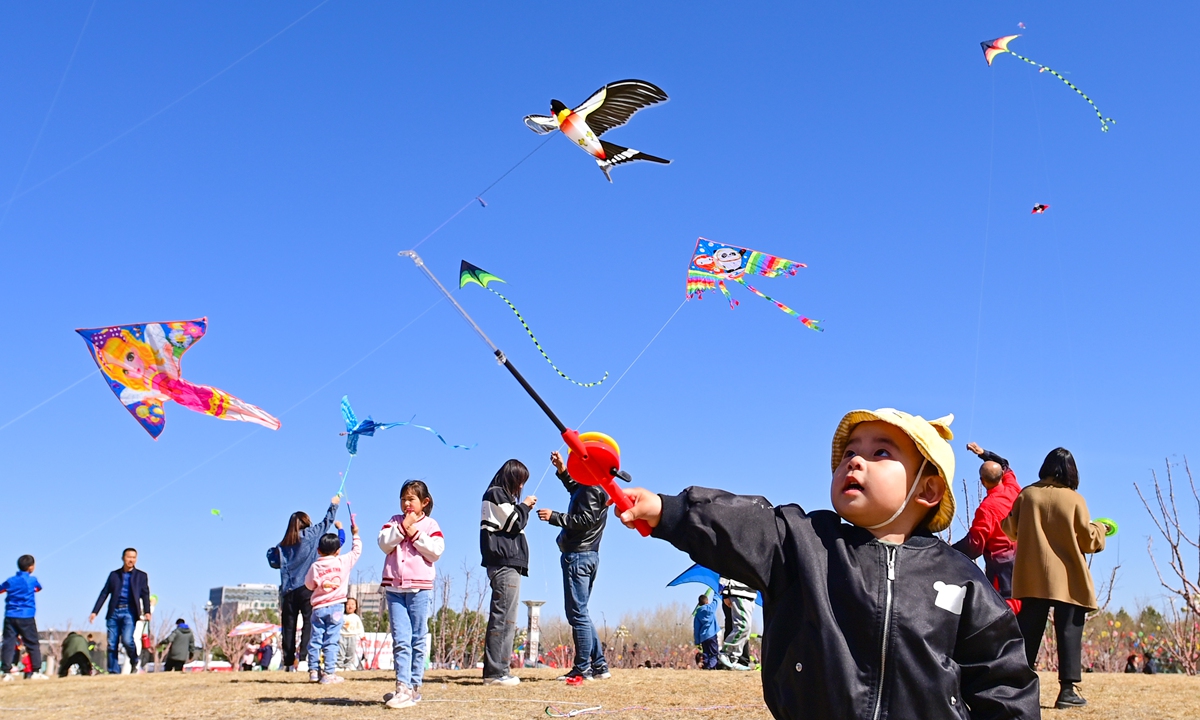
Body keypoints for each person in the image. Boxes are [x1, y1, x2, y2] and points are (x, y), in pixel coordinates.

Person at [614, 408, 1039, 720]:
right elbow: (745, 526)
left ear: (927, 489)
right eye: (849, 453)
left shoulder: (960, 578)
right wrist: (669, 511)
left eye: (881, 453)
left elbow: (1001, 677)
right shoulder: (806, 543)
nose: (855, 460)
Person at [1002, 447, 1107, 710]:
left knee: (1028, 632)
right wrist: (1101, 528)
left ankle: (1017, 689)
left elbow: (1010, 530)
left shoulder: (1027, 495)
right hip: (1068, 576)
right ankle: (1068, 691)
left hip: (1032, 575)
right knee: (1069, 632)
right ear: (1071, 471)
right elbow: (1087, 539)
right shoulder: (1074, 500)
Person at [537, 450, 611, 682]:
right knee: (582, 614)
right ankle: (599, 665)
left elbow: (585, 520)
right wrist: (561, 470)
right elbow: (575, 489)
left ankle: (582, 669)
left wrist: (554, 517)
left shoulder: (590, 488)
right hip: (586, 556)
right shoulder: (593, 486)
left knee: (577, 614)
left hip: (578, 557)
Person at [379, 480, 444, 709]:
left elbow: (436, 551)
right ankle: (402, 686)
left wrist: (413, 531)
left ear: (424, 502)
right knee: (401, 639)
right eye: (404, 498)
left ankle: (414, 686)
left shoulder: (430, 524)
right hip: (395, 589)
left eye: (411, 499)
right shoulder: (393, 521)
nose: (407, 503)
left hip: (419, 588)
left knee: (417, 638)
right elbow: (384, 544)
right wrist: (402, 527)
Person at [479, 459, 536, 686]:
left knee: (506, 618)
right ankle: (496, 673)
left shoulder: (498, 496)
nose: (521, 488)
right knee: (503, 618)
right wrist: (525, 507)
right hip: (504, 564)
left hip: (504, 564)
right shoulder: (496, 494)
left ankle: (499, 670)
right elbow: (514, 522)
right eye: (520, 482)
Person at [269, 495, 340, 671]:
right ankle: (303, 659)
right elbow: (327, 522)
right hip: (307, 587)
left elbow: (273, 562)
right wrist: (334, 504)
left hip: (287, 590)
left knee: (288, 626)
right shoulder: (310, 535)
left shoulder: (283, 545)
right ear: (306, 522)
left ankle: (287, 663)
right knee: (309, 622)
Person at [951, 442, 1022, 614]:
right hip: (1025, 567)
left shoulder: (987, 509)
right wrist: (983, 453)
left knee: (1004, 619)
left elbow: (974, 545)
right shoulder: (1014, 489)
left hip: (1003, 574)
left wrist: (947, 551)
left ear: (982, 482)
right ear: (1001, 476)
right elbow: (1005, 464)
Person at [304, 514, 362, 684]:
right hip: (336, 607)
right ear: (338, 550)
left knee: (315, 639)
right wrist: (355, 533)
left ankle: (314, 670)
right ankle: (329, 673)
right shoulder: (342, 561)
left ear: (318, 550)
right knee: (331, 640)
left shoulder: (315, 566)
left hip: (318, 608)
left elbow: (308, 585)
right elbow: (357, 550)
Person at [89, 548, 151, 675]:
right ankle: (113, 671)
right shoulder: (114, 575)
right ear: (123, 558)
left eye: (134, 557)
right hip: (114, 612)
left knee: (128, 640)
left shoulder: (141, 576)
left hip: (130, 612)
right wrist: (95, 611)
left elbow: (145, 594)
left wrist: (147, 611)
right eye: (129, 557)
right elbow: (104, 593)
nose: (131, 560)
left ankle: (134, 660)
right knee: (112, 643)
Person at [1, 555, 47, 681]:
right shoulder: (32, 580)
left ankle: (6, 671)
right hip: (26, 616)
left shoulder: (10, 581)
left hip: (10, 616)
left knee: (8, 644)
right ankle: (36, 670)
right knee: (32, 643)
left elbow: (1, 589)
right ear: (31, 567)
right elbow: (38, 589)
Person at [718, 577, 755, 670]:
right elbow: (725, 567)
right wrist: (725, 592)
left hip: (751, 591)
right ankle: (726, 653)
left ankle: (733, 659)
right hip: (737, 590)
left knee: (747, 630)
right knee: (743, 626)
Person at [693, 593, 719, 670]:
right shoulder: (711, 608)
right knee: (714, 653)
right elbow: (716, 600)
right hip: (712, 635)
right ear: (707, 601)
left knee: (706, 653)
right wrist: (716, 592)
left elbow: (696, 628)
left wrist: (697, 641)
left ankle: (706, 666)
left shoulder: (697, 614)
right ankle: (710, 667)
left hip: (703, 637)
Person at [337, 597, 364, 672]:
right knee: (340, 651)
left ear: (356, 607)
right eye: (348, 604)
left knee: (350, 652)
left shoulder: (356, 617)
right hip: (341, 636)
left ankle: (348, 665)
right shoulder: (341, 616)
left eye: (352, 604)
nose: (350, 606)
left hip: (352, 636)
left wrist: (362, 636)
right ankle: (339, 665)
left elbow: (360, 627)